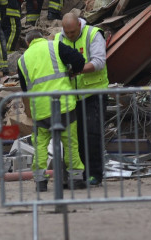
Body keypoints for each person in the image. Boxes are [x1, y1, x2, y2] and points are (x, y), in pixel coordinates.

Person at [17, 29, 87, 192]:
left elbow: (25, 89)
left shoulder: (22, 60)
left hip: (40, 108)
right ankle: (75, 179)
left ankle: (41, 181)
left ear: (28, 43)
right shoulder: (55, 46)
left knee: (40, 145)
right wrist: (71, 72)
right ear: (42, 38)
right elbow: (79, 60)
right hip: (63, 104)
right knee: (70, 142)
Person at [58, 13, 109, 187]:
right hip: (71, 96)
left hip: (93, 93)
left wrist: (78, 70)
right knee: (73, 137)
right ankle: (77, 175)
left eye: (72, 32)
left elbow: (99, 62)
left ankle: (94, 174)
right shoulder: (59, 38)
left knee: (92, 134)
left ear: (79, 25)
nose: (69, 36)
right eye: (67, 32)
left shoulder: (93, 34)